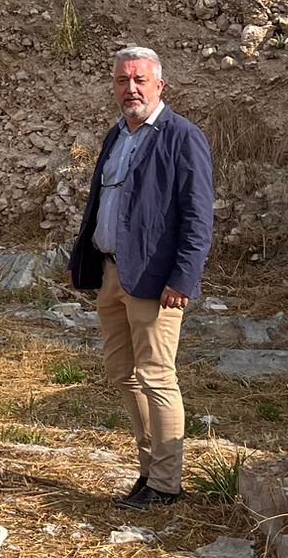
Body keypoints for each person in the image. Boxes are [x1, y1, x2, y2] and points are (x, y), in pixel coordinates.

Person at [68, 45, 214, 510]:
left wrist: (183, 278)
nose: (130, 88)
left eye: (139, 80)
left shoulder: (181, 136)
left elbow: (197, 217)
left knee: (156, 376)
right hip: (114, 273)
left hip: (156, 282)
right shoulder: (117, 136)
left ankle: (167, 485)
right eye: (122, 80)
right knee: (122, 373)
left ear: (159, 86)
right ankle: (149, 471)